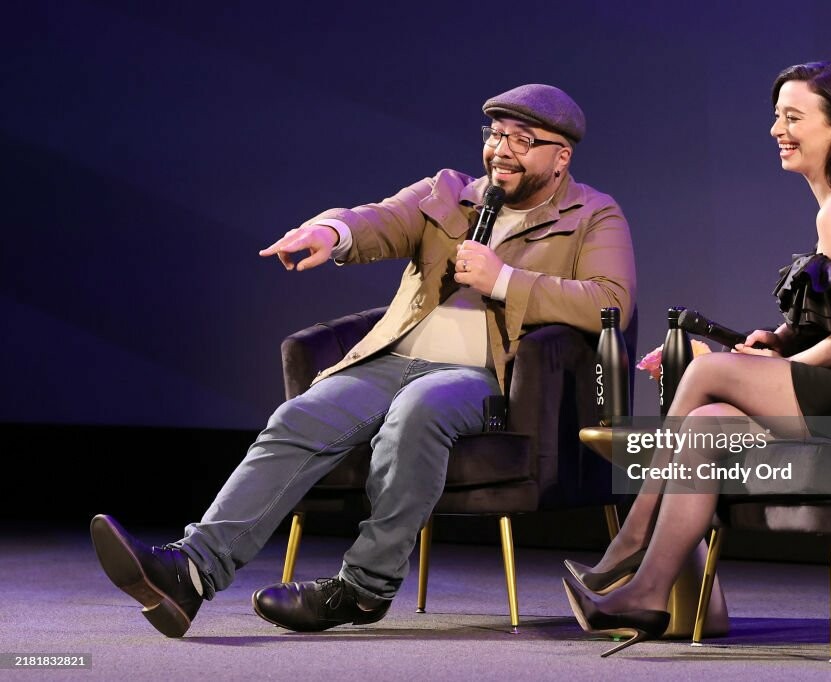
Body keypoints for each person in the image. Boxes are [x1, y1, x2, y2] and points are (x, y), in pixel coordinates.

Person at [91, 83, 637, 637]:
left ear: (560, 156)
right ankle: (189, 571)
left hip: (485, 377)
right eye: (495, 135)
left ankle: (363, 589)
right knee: (300, 416)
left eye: (522, 140)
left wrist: (505, 280)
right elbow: (380, 219)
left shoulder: (592, 214)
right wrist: (332, 230)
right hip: (394, 360)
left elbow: (611, 300)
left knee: (418, 410)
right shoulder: (450, 192)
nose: (501, 151)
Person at [562, 61, 831, 657]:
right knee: (705, 423)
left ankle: (628, 543)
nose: (777, 129)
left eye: (793, 117)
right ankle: (646, 592)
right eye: (776, 116)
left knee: (707, 370)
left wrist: (774, 369)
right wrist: (779, 344)